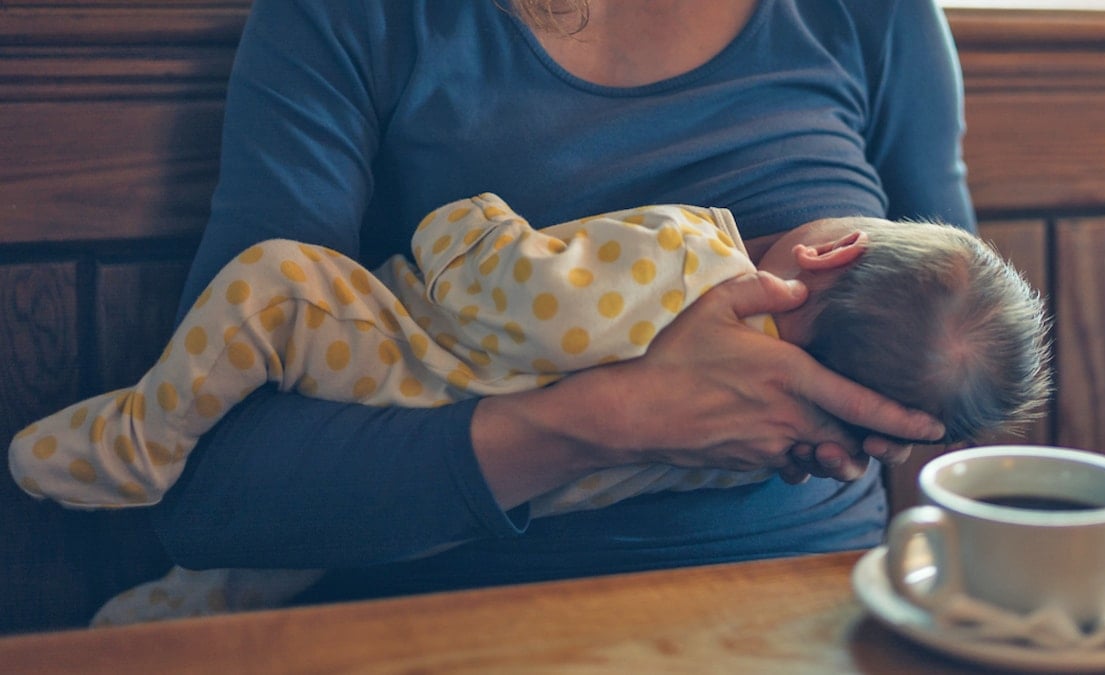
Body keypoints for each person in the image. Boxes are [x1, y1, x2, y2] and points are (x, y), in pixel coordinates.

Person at [28, 0, 986, 617]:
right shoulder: (354, 20)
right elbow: (214, 501)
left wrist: (887, 426)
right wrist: (616, 419)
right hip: (466, 621)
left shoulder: (871, 17)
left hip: (818, 614)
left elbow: (955, 352)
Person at [11, 191, 1048, 624]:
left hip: (386, 368)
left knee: (271, 286)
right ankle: (154, 610)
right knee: (263, 574)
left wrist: (466, 222)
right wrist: (839, 441)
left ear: (830, 249)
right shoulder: (762, 442)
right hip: (462, 522)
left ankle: (138, 439)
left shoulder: (690, 254)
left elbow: (500, 288)